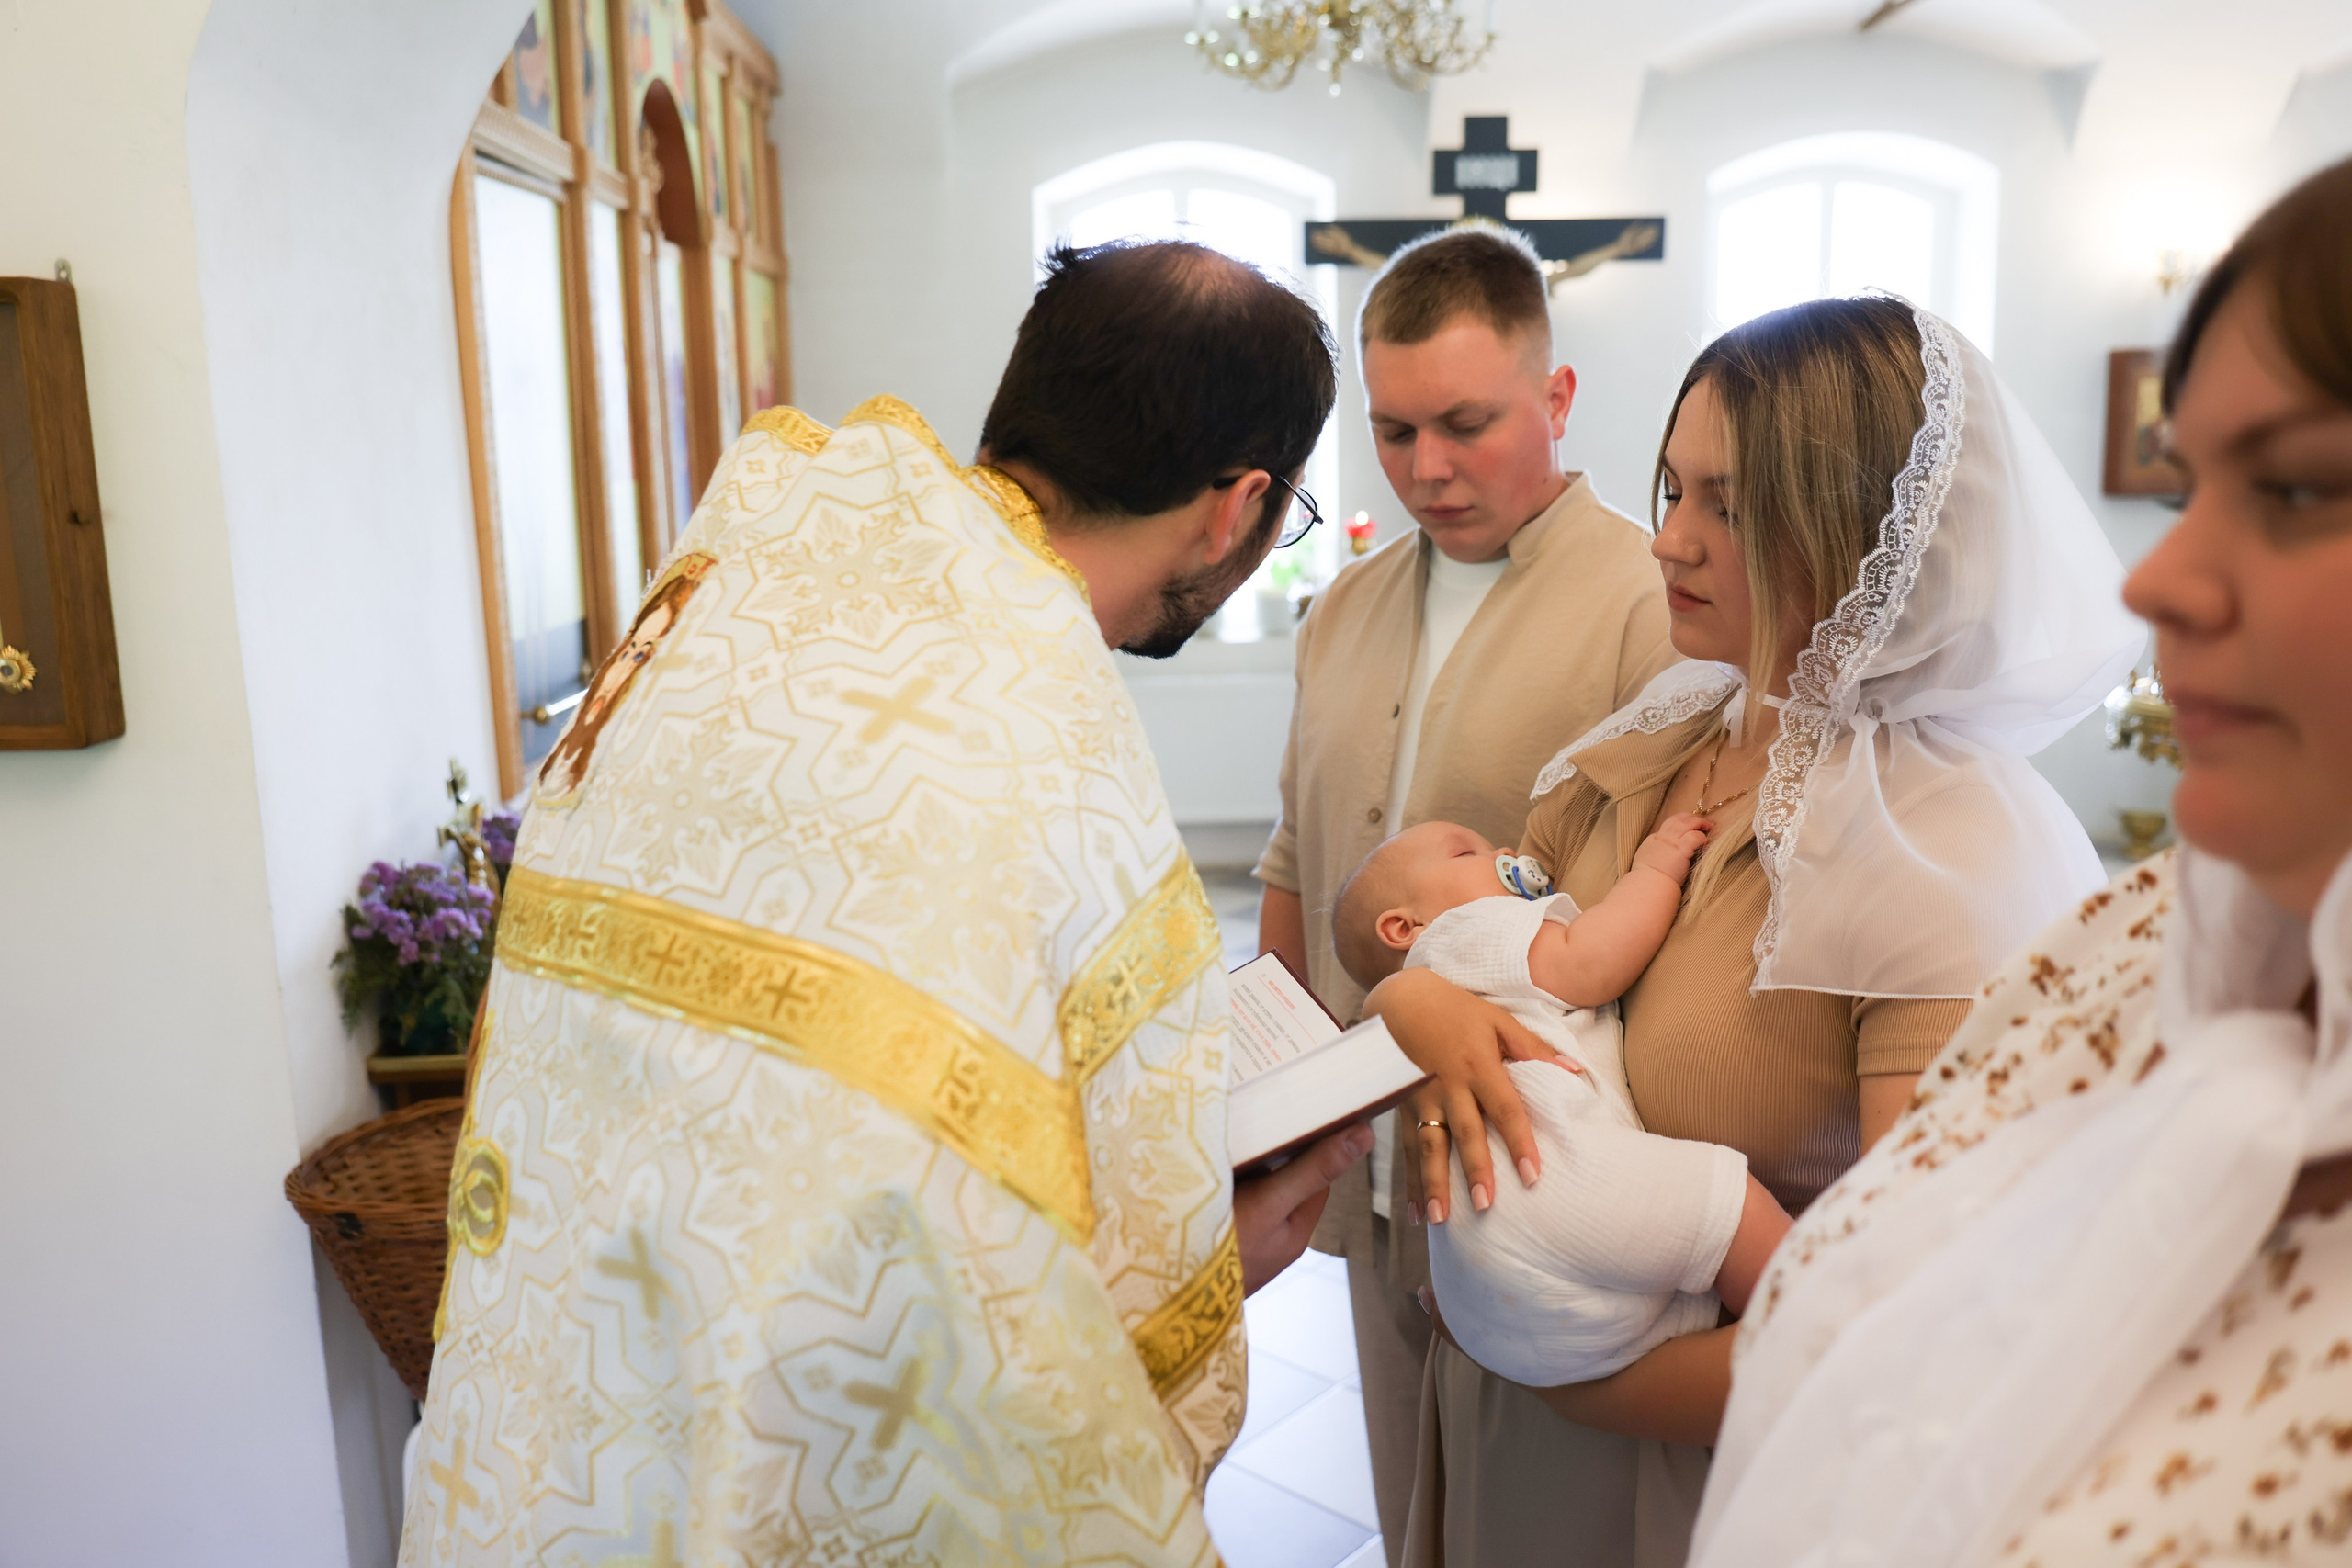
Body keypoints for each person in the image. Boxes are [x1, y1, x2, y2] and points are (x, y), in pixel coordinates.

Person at [401, 241, 1366, 1568]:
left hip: (555, 1415)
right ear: (1238, 504)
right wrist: (1221, 1264)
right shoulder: (1046, 730)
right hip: (799, 1460)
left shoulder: (751, 583)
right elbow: (1083, 1327)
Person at [1369, 293, 2144, 1566]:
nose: (1667, 539)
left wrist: (1574, 1383)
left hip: (1698, 1475)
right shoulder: (1661, 733)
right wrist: (1415, 1005)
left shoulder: (1946, 850)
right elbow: (1494, 954)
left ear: (1855, 523)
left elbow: (1908, 1309)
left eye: (1725, 504)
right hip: (1511, 1418)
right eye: (1669, 486)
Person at [1692, 155, 2352, 1568]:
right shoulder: (2112, 946)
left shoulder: (1966, 870)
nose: (2157, 579)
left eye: (2295, 487)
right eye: (2192, 486)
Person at [1254, 224, 1678, 1559]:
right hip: (1360, 1143)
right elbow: (1292, 854)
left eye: (1466, 423)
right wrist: (1274, 1104)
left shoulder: (1647, 602)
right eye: (1392, 431)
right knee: (1403, 1505)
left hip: (1530, 1153)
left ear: (1554, 399)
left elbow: (1659, 909)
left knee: (1534, 1518)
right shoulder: (1343, 606)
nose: (1427, 467)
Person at [1333, 817, 1793, 1387]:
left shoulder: (1443, 980)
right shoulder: (1468, 933)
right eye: (1465, 851)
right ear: (1406, 927)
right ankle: (1830, 1334)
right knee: (1733, 1210)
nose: (1503, 849)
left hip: (1498, 1292)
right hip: (1552, 1183)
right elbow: (1590, 960)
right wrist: (1655, 871)